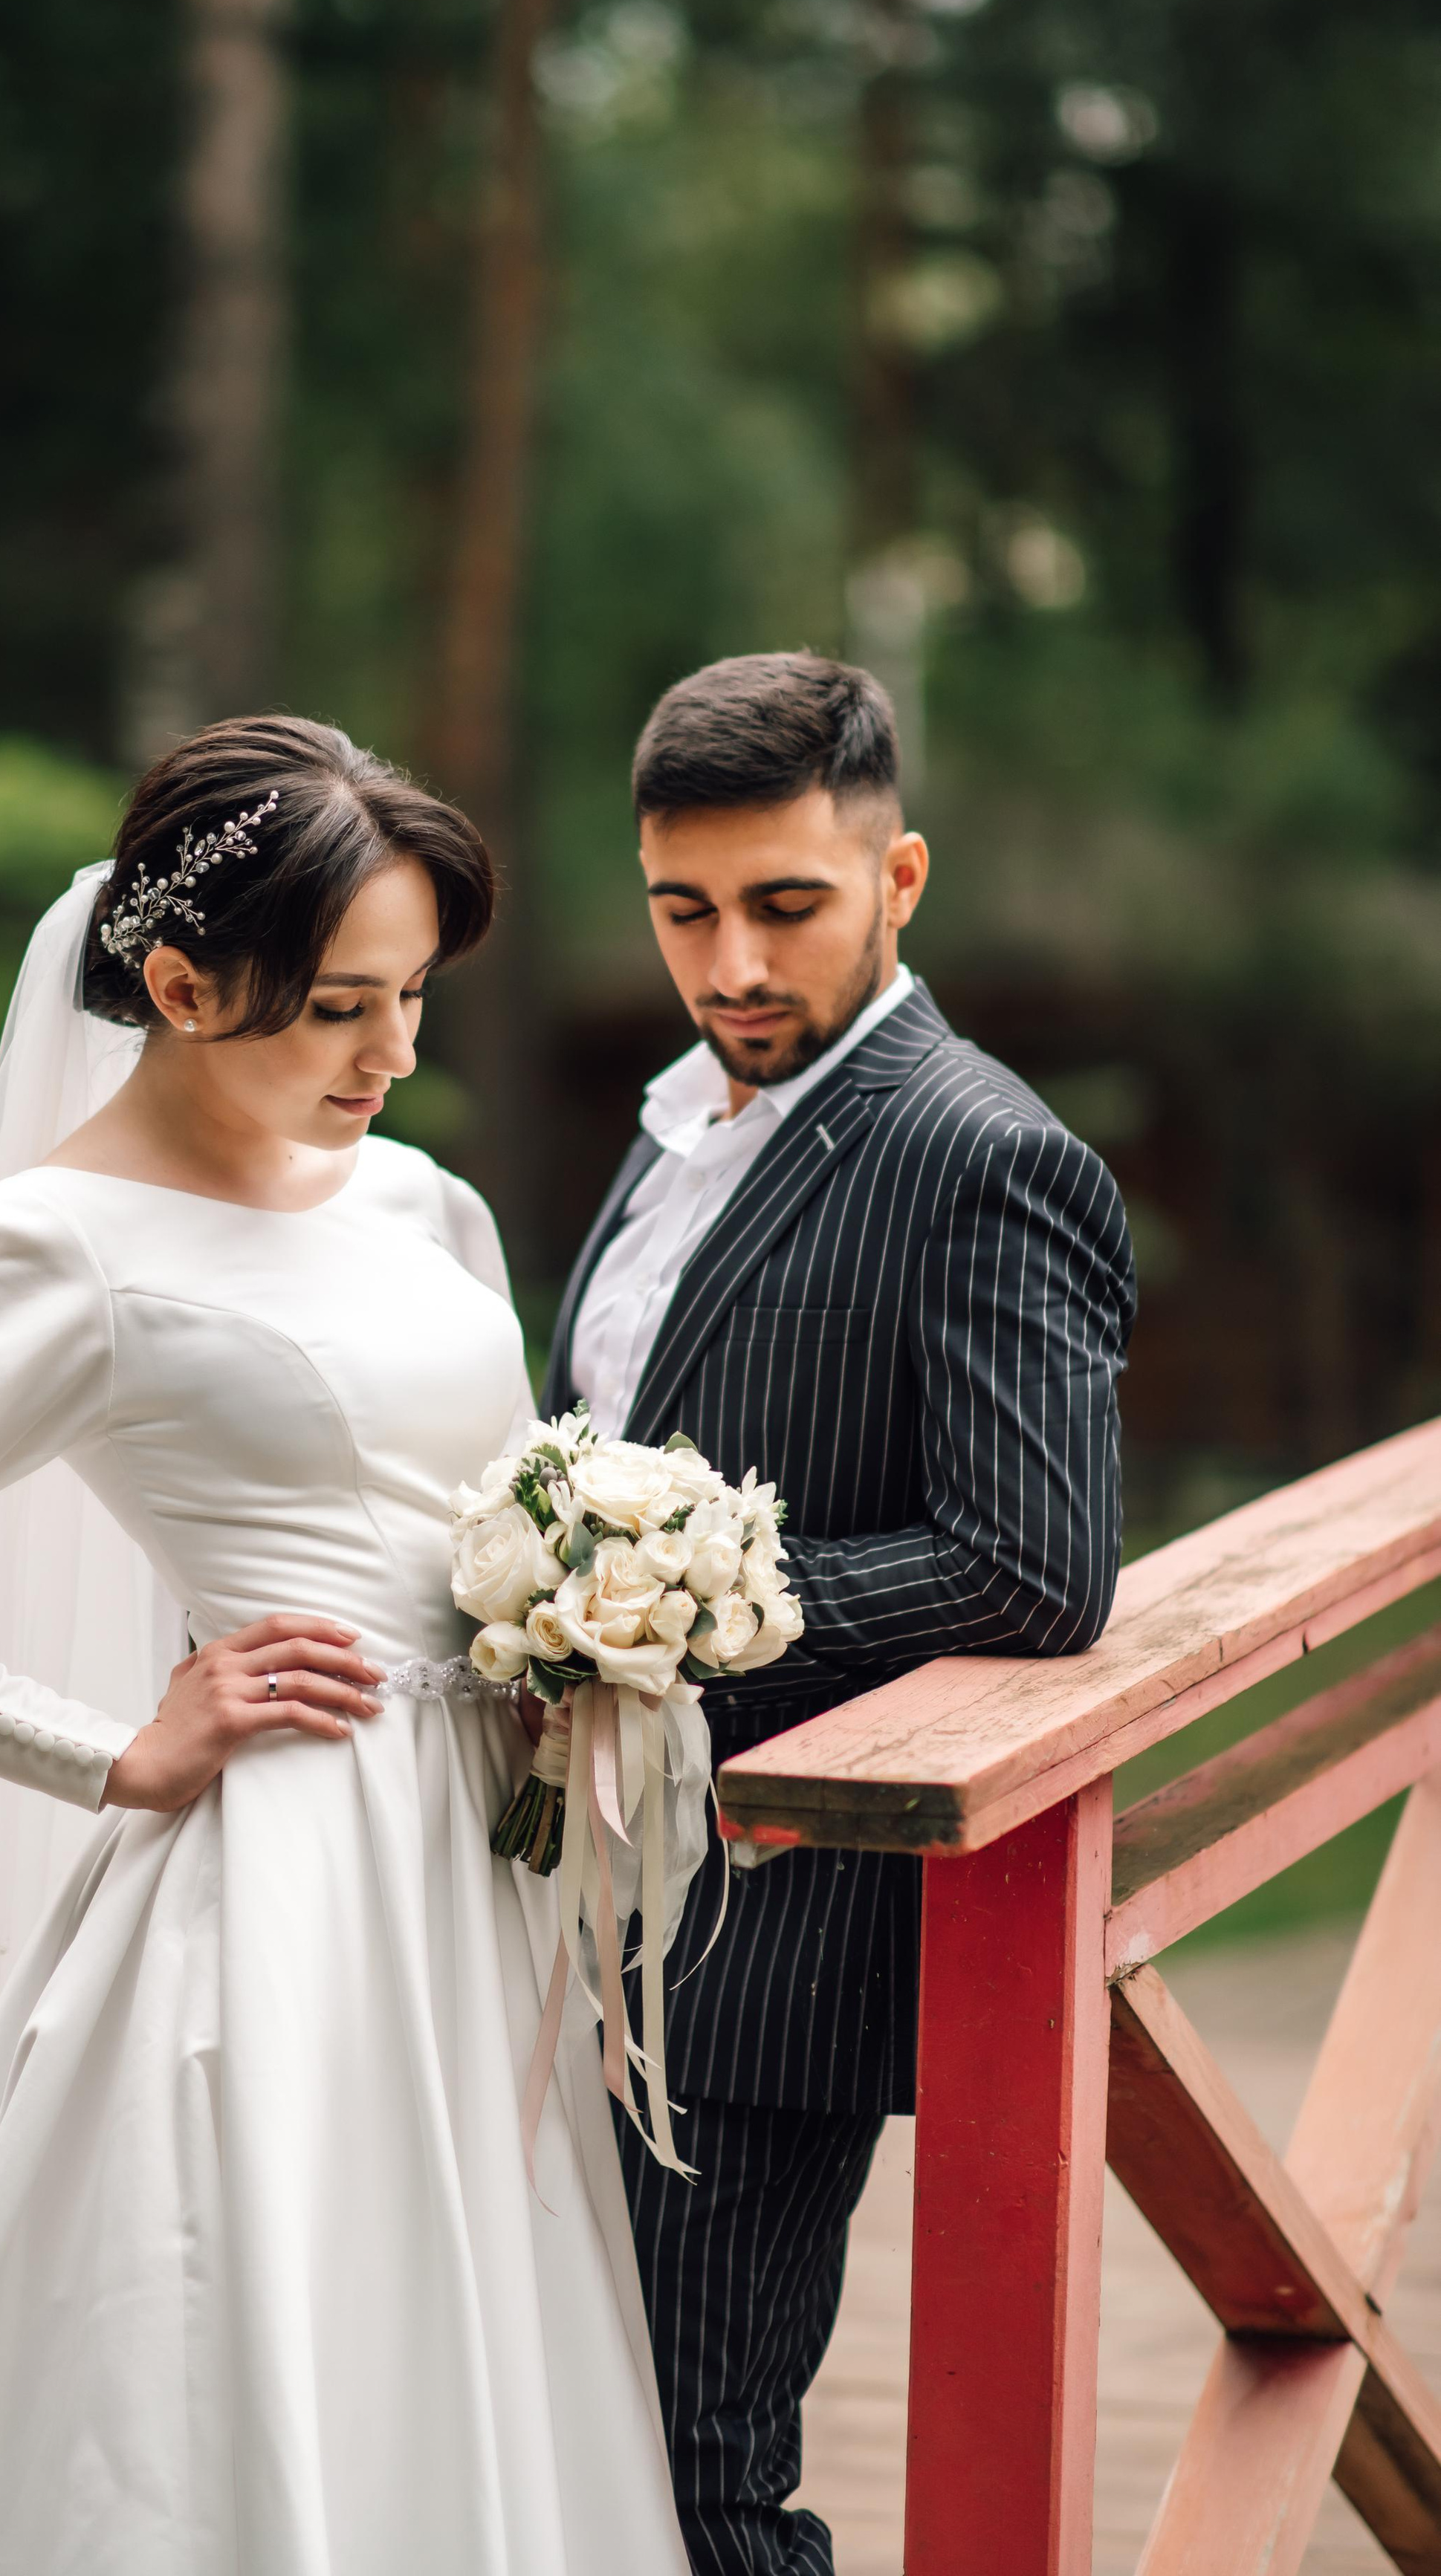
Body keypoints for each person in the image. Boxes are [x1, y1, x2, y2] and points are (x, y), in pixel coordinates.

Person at [0, 716, 689, 2576]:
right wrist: (110, 1750)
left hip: (474, 1870)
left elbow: (488, 1508)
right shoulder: (57, 1249)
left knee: (465, 2320)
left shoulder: (424, 1202)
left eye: (409, 997)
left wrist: (594, 1630)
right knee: (231, 2338)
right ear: (176, 981)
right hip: (275, 1881)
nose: (394, 1056)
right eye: (340, 1007)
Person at [543, 650, 1136, 2576]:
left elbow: (1034, 1566)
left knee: (690, 2481)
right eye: (684, 911)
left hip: (767, 1931)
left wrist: (670, 1610)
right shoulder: (675, 1124)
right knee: (568, 2440)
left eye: (785, 907)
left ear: (899, 883)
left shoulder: (983, 1157)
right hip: (582, 1903)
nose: (729, 965)